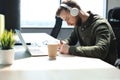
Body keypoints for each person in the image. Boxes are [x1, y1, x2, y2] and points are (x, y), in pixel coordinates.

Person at [56, 0, 117, 65]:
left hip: (105, 67)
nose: (68, 24)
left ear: (75, 11)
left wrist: (70, 49)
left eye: (67, 19)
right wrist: (64, 43)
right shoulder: (78, 24)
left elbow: (101, 51)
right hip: (90, 63)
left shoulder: (100, 25)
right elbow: (72, 39)